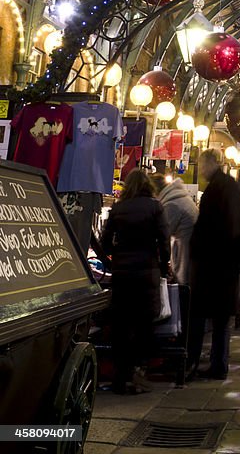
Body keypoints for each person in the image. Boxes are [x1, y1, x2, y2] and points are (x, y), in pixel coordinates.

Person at [101, 169, 170, 395]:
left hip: (122, 273)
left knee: (121, 325)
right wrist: (163, 265)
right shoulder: (155, 207)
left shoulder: (119, 208)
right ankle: (138, 375)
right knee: (143, 324)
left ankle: (121, 376)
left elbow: (104, 241)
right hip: (146, 272)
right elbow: (163, 239)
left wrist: (113, 260)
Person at [187, 149, 240, 380]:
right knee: (221, 319)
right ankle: (217, 363)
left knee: (204, 315)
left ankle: (207, 363)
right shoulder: (228, 185)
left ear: (210, 164)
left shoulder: (219, 188)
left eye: (201, 166)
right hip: (224, 264)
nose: (200, 171)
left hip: (214, 264)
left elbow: (215, 226)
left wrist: (198, 248)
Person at [149, 172, 198, 286]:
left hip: (186, 254)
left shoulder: (172, 204)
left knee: (184, 292)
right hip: (190, 252)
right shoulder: (177, 197)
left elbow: (162, 235)